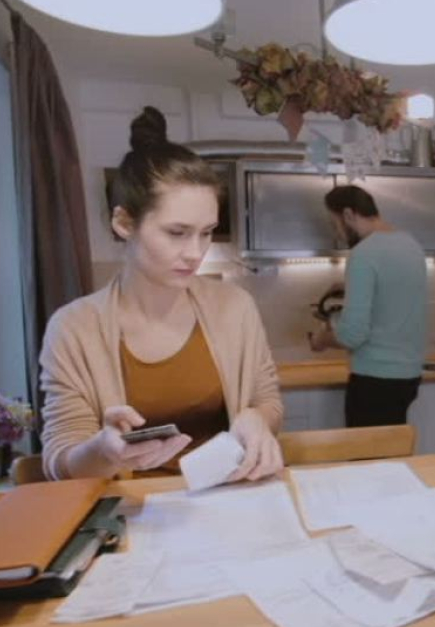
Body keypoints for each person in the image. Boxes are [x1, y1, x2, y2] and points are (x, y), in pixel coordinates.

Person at [38, 106, 283, 481]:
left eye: (206, 232)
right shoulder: (74, 327)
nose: (195, 252)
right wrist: (103, 450)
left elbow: (266, 399)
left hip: (228, 496)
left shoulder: (236, 307)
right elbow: (60, 460)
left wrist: (257, 418)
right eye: (176, 233)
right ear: (124, 223)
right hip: (132, 508)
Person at [308, 185, 427, 427]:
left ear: (348, 215)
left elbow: (353, 335)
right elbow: (394, 292)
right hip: (408, 378)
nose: (338, 235)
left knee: (368, 452)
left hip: (374, 380)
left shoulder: (364, 254)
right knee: (392, 448)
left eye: (335, 225)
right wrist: (349, 286)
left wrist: (321, 340)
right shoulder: (411, 245)